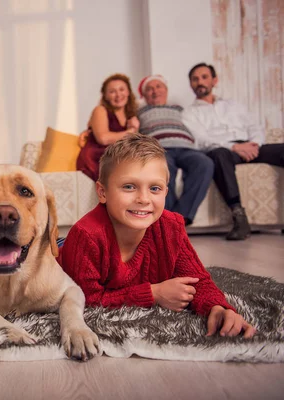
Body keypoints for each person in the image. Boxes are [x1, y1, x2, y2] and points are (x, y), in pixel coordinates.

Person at [59, 134, 255, 339]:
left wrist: (218, 307)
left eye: (154, 188)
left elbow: (198, 280)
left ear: (165, 192)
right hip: (65, 252)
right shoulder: (87, 235)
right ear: (102, 192)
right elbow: (87, 300)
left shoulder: (171, 227)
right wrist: (153, 294)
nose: (144, 199)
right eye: (129, 186)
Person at [182, 62, 284, 240]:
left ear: (214, 80)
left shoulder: (234, 105)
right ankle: (239, 216)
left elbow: (255, 126)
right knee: (219, 155)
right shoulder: (189, 113)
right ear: (191, 84)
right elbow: (201, 140)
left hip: (251, 146)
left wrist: (254, 144)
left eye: (204, 77)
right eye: (195, 79)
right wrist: (234, 147)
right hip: (224, 150)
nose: (200, 82)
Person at [137, 75, 214, 225]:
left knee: (205, 163)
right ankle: (168, 218)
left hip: (187, 147)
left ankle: (180, 218)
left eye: (159, 87)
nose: (155, 91)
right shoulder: (138, 113)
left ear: (166, 90)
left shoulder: (180, 109)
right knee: (163, 167)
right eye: (150, 89)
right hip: (160, 148)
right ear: (144, 95)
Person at [77, 74, 139, 181]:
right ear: (105, 96)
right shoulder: (100, 110)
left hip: (119, 156)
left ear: (128, 92)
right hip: (98, 157)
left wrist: (134, 130)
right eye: (112, 91)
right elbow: (103, 138)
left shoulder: (131, 116)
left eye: (122, 89)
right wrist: (132, 131)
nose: (118, 94)